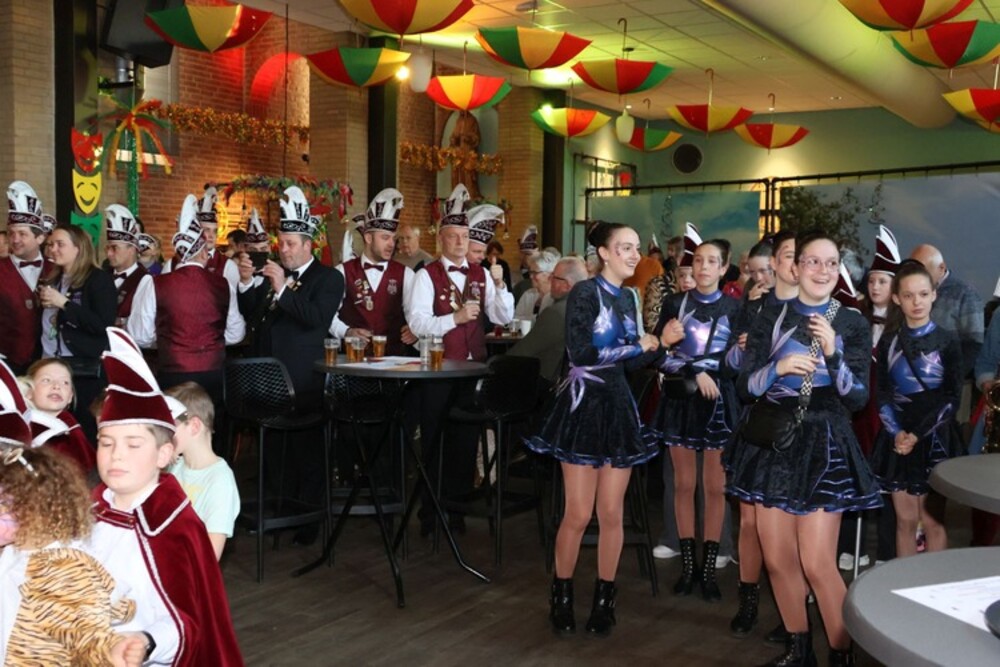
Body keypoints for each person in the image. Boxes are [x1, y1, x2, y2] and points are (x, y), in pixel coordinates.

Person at [727, 231, 880, 667]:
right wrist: (777, 368)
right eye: (813, 261)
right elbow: (745, 386)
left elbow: (857, 399)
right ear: (795, 268)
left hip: (824, 446)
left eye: (832, 263)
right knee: (777, 559)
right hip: (774, 444)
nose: (823, 271)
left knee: (817, 563)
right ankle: (799, 649)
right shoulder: (769, 315)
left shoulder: (851, 322)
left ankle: (841, 654)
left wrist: (833, 352)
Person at [525, 221, 666, 638]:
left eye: (636, 247)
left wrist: (660, 342)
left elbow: (632, 362)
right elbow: (583, 353)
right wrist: (638, 345)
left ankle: (606, 600)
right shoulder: (585, 293)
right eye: (625, 247)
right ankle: (562, 595)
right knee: (578, 513)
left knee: (611, 513)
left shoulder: (629, 297)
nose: (634, 254)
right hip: (583, 406)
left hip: (617, 408)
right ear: (604, 253)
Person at [85, 327, 244, 666]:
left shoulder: (173, 525)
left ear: (163, 454)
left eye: (133, 444)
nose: (116, 455)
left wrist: (147, 641)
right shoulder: (88, 511)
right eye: (106, 443)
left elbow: (190, 618)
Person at [0, 392, 146, 667]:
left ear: (35, 508)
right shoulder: (14, 550)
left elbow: (85, 633)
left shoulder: (58, 568)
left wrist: (111, 650)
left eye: (2, 504)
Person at [404, 184, 514, 535]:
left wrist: (500, 285)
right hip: (439, 370)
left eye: (465, 236)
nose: (460, 242)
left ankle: (457, 512)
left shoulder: (480, 274)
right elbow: (417, 324)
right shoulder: (426, 275)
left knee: (465, 445)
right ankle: (430, 514)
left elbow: (502, 317)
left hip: (473, 371)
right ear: (441, 239)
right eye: (453, 236)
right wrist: (454, 319)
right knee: (435, 443)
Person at [237, 187, 343, 536]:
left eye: (291, 244)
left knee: (306, 454)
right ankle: (278, 515)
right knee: (274, 453)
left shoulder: (328, 278)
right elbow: (254, 316)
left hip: (305, 383)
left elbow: (316, 319)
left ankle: (308, 523)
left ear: (308, 245)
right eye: (281, 243)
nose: (283, 249)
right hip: (268, 382)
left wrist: (282, 288)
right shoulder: (277, 275)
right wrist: (246, 283)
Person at [653, 226, 741, 603]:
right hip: (683, 401)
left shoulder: (736, 309)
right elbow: (659, 354)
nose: (703, 267)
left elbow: (738, 364)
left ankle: (709, 570)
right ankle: (688, 566)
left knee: (714, 487)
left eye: (711, 261)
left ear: (723, 268)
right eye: (698, 260)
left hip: (719, 403)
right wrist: (694, 369)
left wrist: (721, 366)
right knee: (683, 485)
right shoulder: (675, 303)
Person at [725, 231, 800, 639]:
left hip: (794, 427)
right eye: (759, 270)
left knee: (790, 525)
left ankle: (793, 614)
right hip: (754, 422)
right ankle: (748, 599)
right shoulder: (753, 307)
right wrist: (741, 349)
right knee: (750, 521)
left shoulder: (811, 310)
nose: (767, 275)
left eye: (774, 265)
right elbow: (731, 366)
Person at [869, 261, 965, 559]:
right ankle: (906, 582)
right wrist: (897, 432)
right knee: (905, 521)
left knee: (933, 521)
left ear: (934, 294)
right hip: (898, 438)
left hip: (934, 436)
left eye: (923, 294)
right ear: (897, 298)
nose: (917, 302)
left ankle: (935, 583)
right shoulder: (889, 340)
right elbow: (882, 392)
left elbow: (952, 398)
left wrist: (917, 435)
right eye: (909, 295)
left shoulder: (948, 340)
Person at [128, 194, 246, 410]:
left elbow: (140, 335)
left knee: (176, 422)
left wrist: (168, 339)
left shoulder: (155, 283)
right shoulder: (223, 285)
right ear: (203, 254)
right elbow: (236, 334)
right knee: (209, 424)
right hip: (213, 373)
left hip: (172, 372)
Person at [37, 224, 116, 443]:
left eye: (60, 244)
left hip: (83, 369)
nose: (53, 249)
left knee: (84, 429)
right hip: (51, 362)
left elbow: (103, 325)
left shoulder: (98, 279)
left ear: (78, 248)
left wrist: (65, 304)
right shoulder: (53, 279)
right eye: (50, 244)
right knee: (53, 428)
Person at [330, 188, 416, 356]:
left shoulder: (406, 274)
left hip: (394, 363)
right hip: (352, 362)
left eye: (393, 238)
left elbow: (417, 315)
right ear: (368, 238)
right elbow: (328, 316)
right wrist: (346, 331)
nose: (391, 244)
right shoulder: (342, 272)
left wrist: (415, 330)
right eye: (385, 238)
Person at [164, 382, 240, 561]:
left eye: (169, 427)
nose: (162, 435)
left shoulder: (220, 481)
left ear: (194, 426)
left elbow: (210, 556)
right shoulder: (173, 466)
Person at [509, 256, 588, 386]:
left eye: (554, 277)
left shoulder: (557, 312)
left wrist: (494, 365)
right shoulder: (589, 307)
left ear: (567, 285)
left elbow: (522, 352)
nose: (549, 280)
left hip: (548, 384)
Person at [0, 181, 51, 374]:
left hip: (47, 362)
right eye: (12, 233)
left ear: (40, 238)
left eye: (22, 234)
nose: (15, 240)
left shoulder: (56, 269)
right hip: (6, 362)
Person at [910, 243, 984, 378]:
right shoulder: (909, 291)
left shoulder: (965, 295)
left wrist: (950, 377)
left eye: (922, 270)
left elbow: (973, 344)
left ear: (941, 268)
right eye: (913, 270)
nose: (917, 275)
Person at [23, 358, 96, 474]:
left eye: (65, 382)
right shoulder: (17, 426)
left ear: (70, 396)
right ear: (29, 391)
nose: (57, 386)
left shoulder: (71, 435)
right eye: (46, 380)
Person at [163, 186, 240, 289]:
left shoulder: (228, 265)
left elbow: (232, 297)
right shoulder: (171, 264)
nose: (211, 235)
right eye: (206, 230)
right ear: (197, 232)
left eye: (214, 231)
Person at [103, 204, 152, 329]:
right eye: (108, 248)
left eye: (114, 248)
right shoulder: (102, 275)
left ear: (131, 250)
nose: (109, 254)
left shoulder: (145, 280)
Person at [514, 248, 560, 321]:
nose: (531, 276)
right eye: (530, 272)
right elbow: (515, 320)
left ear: (550, 275)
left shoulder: (556, 299)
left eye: (535, 273)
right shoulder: (528, 295)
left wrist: (529, 319)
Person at [513, 225, 539, 302]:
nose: (526, 257)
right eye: (524, 253)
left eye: (528, 254)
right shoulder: (514, 274)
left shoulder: (539, 273)